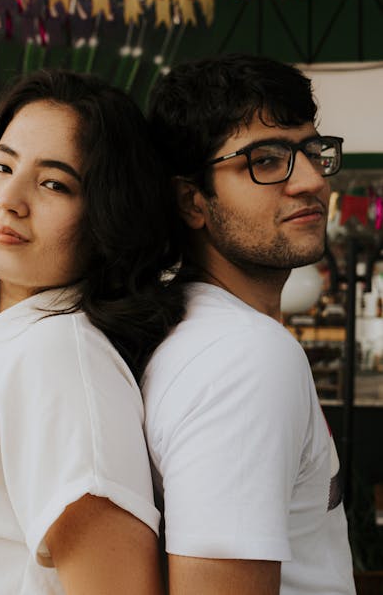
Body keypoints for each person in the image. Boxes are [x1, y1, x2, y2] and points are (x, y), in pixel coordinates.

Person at [0, 69, 185, 595]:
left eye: (54, 183)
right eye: (2, 165)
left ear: (108, 219)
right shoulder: (7, 349)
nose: (9, 198)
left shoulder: (58, 361)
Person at [142, 54, 356, 595]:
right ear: (193, 201)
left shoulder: (198, 331)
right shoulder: (244, 358)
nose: (309, 180)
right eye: (265, 160)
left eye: (312, 150)